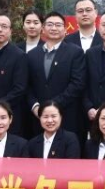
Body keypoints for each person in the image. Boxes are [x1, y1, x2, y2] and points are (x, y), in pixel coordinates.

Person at [26, 12, 87, 142]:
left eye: (58, 25)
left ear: (65, 30)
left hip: (66, 116)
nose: (54, 28)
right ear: (43, 29)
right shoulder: (31, 55)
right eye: (50, 24)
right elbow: (27, 85)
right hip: (37, 117)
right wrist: (35, 106)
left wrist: (52, 106)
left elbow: (77, 84)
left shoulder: (75, 52)